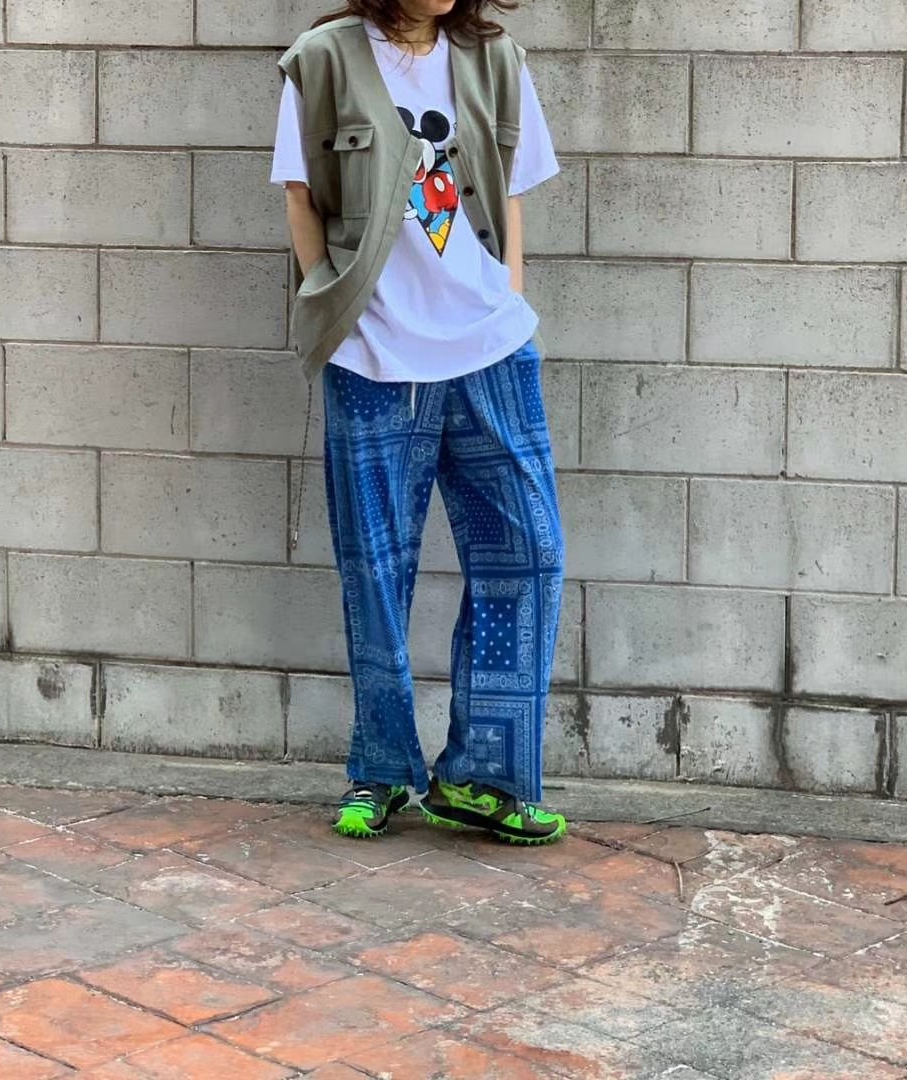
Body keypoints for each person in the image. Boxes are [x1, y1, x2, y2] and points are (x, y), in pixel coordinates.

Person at [271, 0, 567, 845]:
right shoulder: (323, 58)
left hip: (490, 348)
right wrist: (335, 308)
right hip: (373, 355)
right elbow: (301, 195)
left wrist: (507, 297)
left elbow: (510, 191)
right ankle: (380, 771)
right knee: (375, 569)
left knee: (530, 553)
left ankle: (482, 776)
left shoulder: (495, 58)